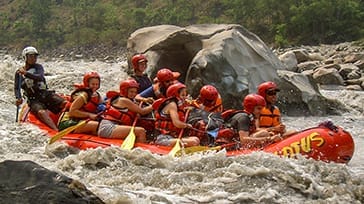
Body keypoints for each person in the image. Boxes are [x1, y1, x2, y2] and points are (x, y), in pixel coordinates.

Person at [14, 46, 66, 130]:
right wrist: (18, 98)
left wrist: (26, 73)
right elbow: (17, 88)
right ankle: (56, 130)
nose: (33, 58)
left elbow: (39, 77)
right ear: (25, 57)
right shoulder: (19, 73)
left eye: (35, 56)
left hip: (45, 94)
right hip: (33, 99)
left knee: (65, 103)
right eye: (31, 56)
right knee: (41, 112)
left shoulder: (38, 67)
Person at [153, 82, 200, 147]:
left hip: (173, 137)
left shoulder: (179, 105)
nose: (185, 97)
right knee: (194, 142)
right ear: (176, 95)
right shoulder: (172, 105)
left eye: (185, 95)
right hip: (163, 139)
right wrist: (186, 125)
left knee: (196, 139)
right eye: (183, 95)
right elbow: (177, 123)